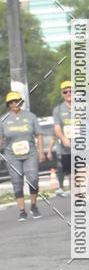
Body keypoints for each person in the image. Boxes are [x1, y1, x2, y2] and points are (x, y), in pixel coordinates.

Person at [0, 91, 44, 221]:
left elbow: (39, 135)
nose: (15, 104)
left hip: (30, 153)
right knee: (17, 181)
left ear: (21, 102)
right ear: (8, 104)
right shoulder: (3, 119)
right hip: (12, 155)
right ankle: (22, 211)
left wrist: (41, 152)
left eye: (17, 101)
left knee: (33, 178)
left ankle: (34, 206)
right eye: (12, 102)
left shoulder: (31, 116)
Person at [52, 80, 74, 195]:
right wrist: (64, 138)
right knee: (71, 174)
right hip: (66, 148)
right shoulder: (58, 110)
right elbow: (57, 128)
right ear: (62, 94)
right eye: (65, 92)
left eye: (71, 91)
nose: (68, 93)